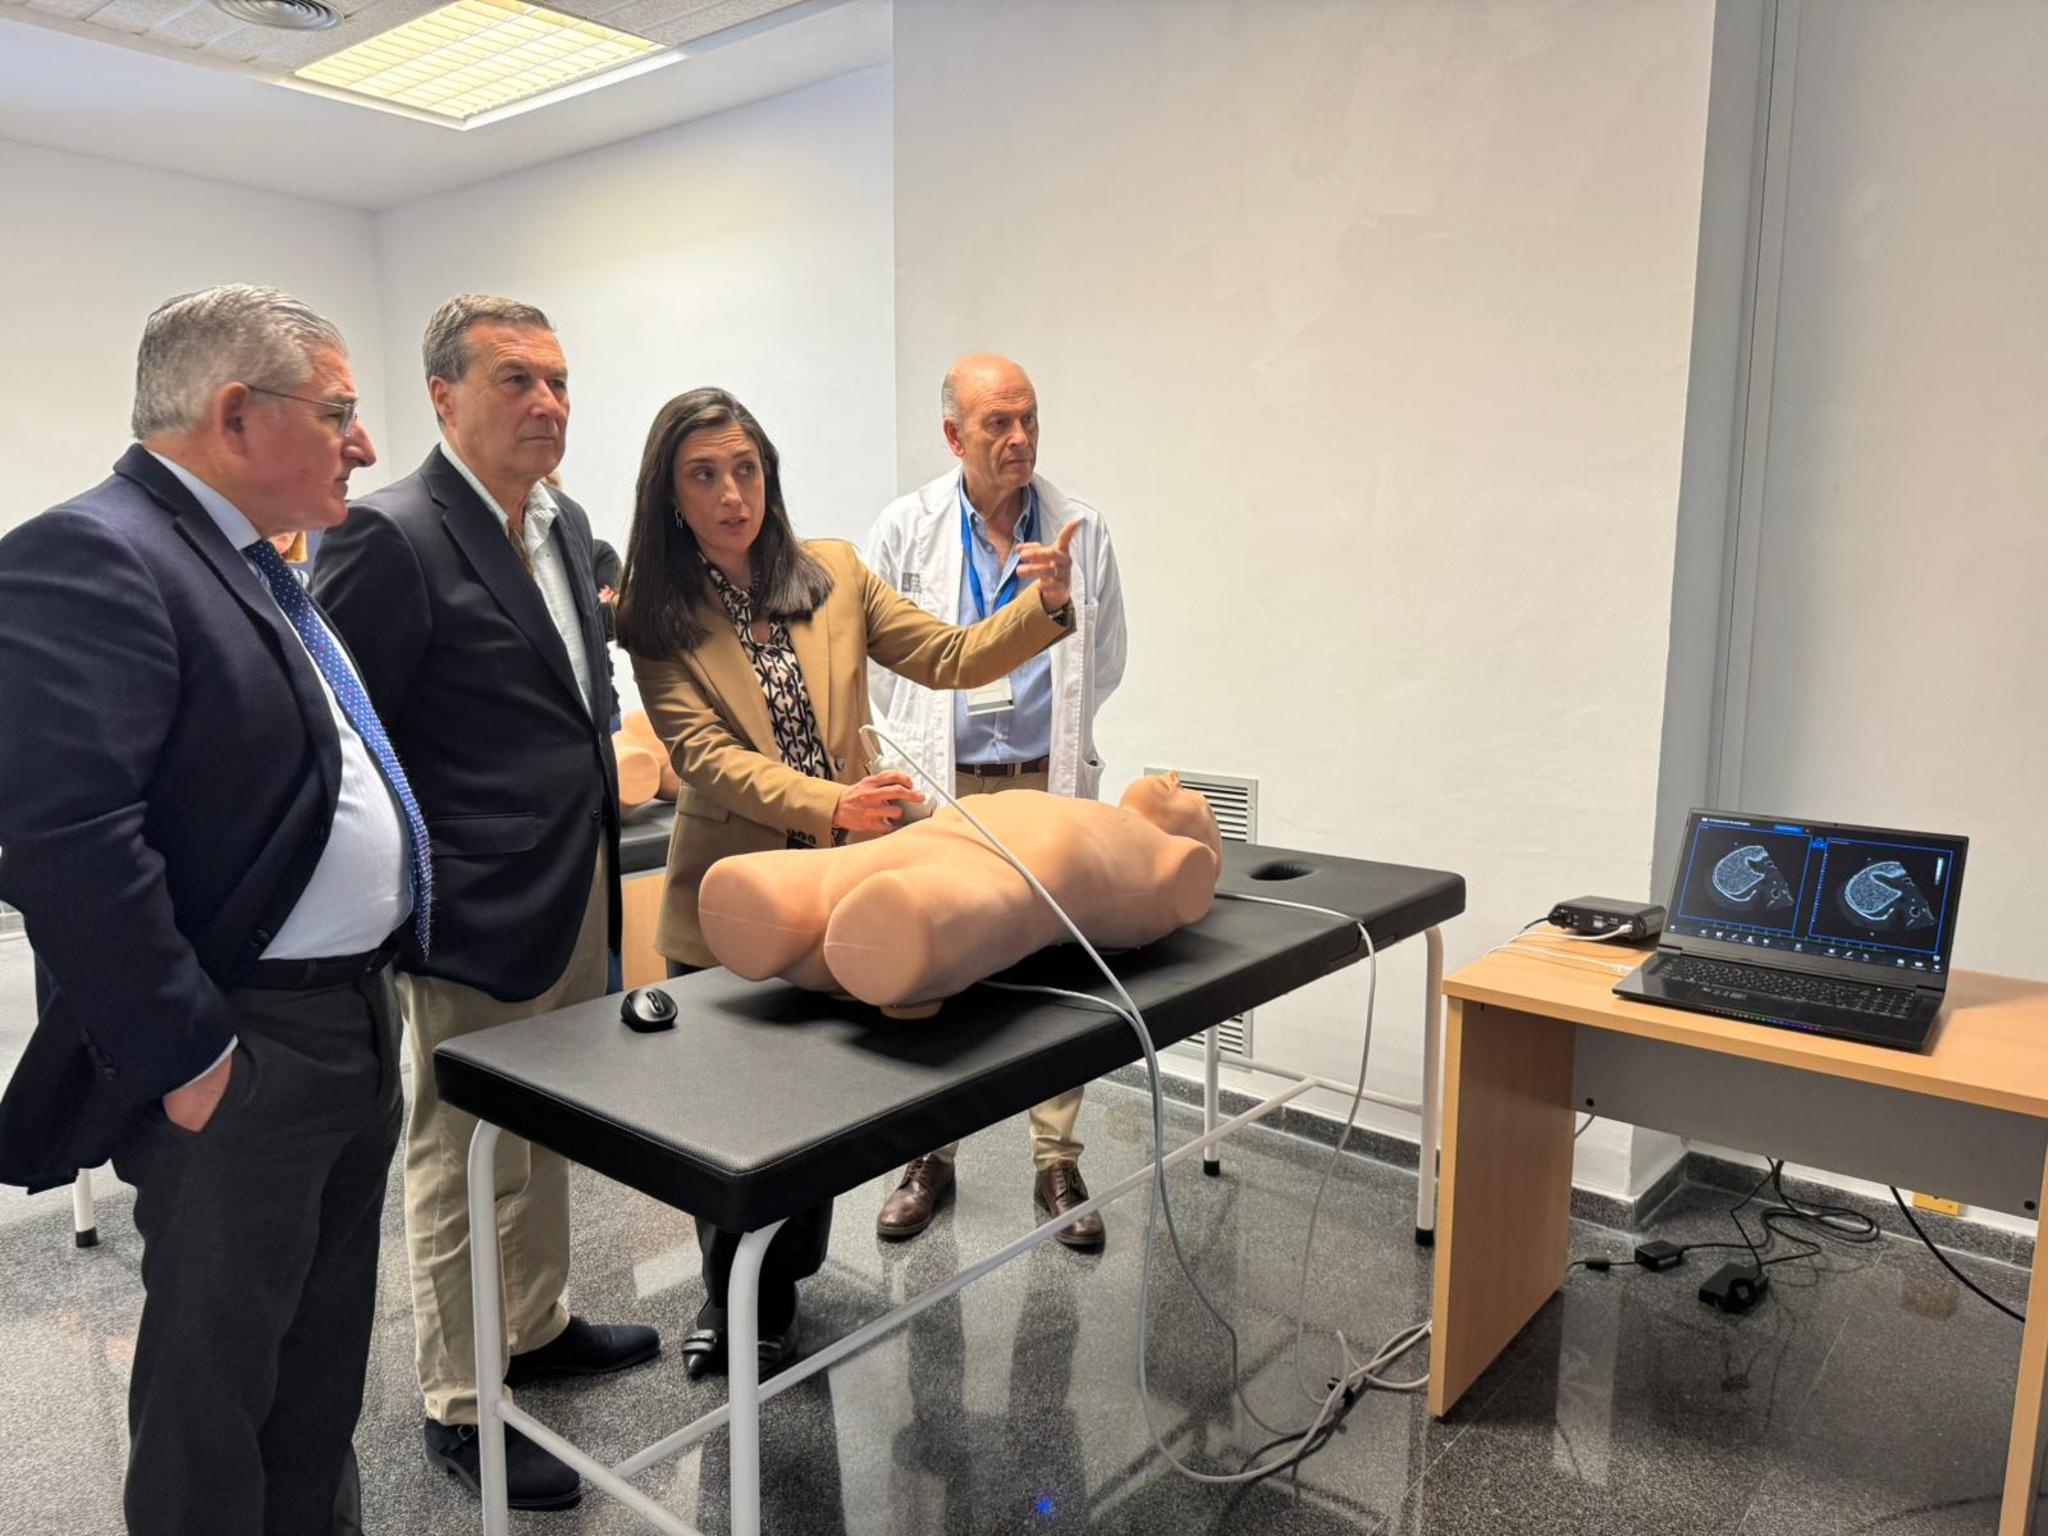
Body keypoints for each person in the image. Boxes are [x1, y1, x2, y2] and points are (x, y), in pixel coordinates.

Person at [0, 284, 414, 1535]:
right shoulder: (94, 551)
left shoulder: (247, 562)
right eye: (339, 411)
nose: (365, 442)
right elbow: (62, 837)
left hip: (345, 1022)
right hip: (244, 1050)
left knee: (314, 1375)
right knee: (213, 1392)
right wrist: (191, 1060)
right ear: (237, 414)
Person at [616, 386, 1076, 1380]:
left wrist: (1038, 610)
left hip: (838, 892)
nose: (733, 493)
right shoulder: (653, 616)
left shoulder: (828, 572)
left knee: (812, 1117)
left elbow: (947, 655)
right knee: (730, 1128)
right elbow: (701, 758)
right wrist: (829, 804)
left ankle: (784, 1278)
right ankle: (733, 1301)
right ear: (671, 495)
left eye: (745, 468)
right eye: (705, 475)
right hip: (729, 907)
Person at [312, 294, 652, 1512]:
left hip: (574, 886)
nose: (547, 404)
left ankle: (537, 1320)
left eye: (558, 380)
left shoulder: (559, 525)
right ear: (444, 397)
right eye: (515, 381)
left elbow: (573, 697)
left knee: (545, 1125)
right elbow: (345, 742)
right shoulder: (392, 535)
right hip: (472, 908)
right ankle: (461, 1400)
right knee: (456, 1155)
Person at [864, 352, 1128, 1250]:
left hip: (1042, 783)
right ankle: (928, 1153)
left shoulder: (1080, 526)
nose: (1018, 439)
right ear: (954, 436)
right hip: (949, 786)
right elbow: (879, 661)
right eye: (996, 425)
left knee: (1054, 976)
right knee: (934, 971)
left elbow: (1109, 655)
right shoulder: (904, 528)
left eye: (1029, 420)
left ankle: (1056, 1157)